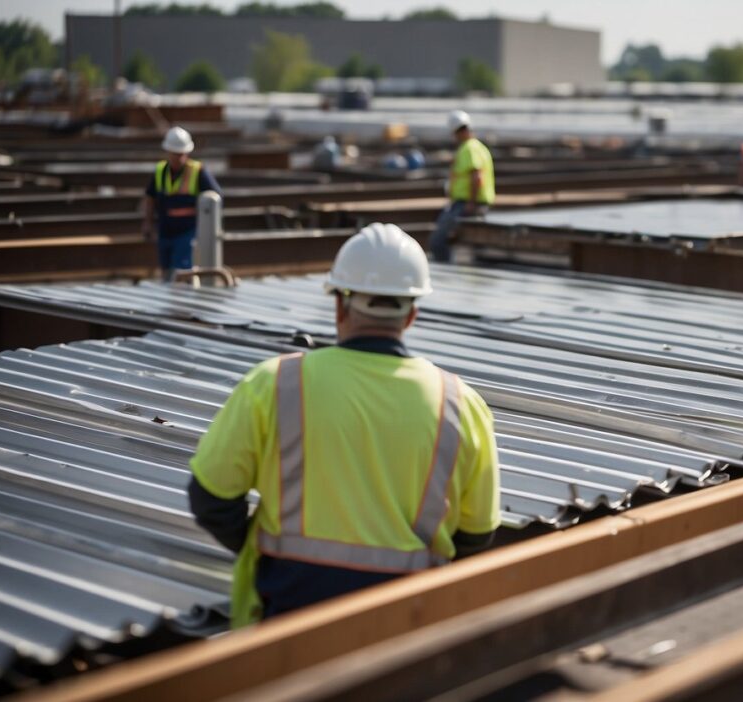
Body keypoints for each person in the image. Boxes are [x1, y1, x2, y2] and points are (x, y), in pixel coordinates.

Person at [187, 222, 501, 627]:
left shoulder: (273, 384)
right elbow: (477, 535)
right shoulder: (461, 403)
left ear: (339, 306)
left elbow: (210, 499)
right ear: (412, 315)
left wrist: (264, 549)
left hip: (287, 611)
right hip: (409, 622)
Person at [142, 126, 221, 282]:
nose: (178, 158)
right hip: (165, 229)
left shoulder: (197, 171)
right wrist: (147, 223)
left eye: (181, 154)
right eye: (175, 154)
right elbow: (150, 197)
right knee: (166, 270)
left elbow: (215, 197)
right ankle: (169, 299)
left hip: (187, 231)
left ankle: (182, 299)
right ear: (168, 152)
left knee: (182, 269)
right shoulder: (160, 171)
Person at [429, 110, 495, 262]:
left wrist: (470, 203)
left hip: (466, 204)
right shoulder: (479, 147)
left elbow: (476, 177)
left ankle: (444, 272)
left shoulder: (469, 148)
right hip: (471, 203)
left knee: (438, 241)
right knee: (454, 240)